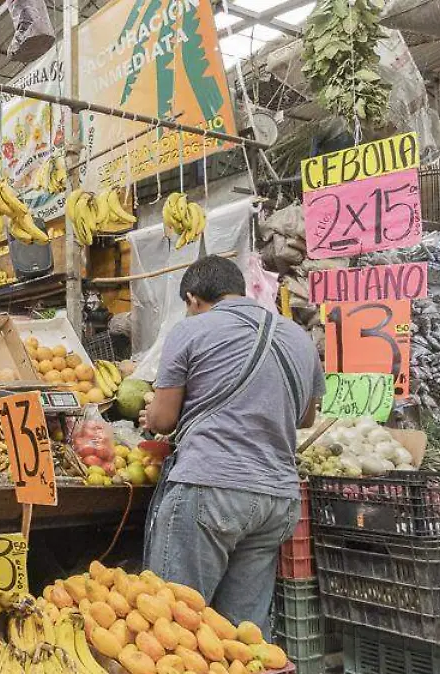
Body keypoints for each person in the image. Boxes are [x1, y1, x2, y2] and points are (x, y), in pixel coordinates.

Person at [142, 255, 324, 634]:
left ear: (192, 299)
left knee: (174, 623)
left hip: (211, 489)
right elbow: (305, 418)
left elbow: (162, 421)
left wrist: (154, 411)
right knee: (240, 633)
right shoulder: (297, 337)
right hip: (277, 499)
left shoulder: (191, 330)